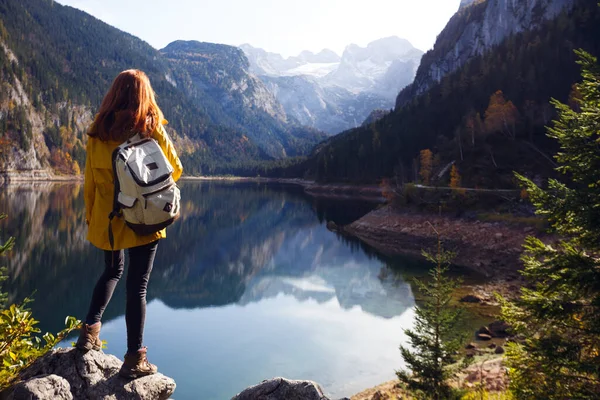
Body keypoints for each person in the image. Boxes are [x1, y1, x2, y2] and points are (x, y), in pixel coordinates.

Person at [76, 69, 183, 379]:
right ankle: (135, 358)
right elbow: (174, 169)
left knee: (112, 270)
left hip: (108, 220)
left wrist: (91, 216)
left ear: (113, 94)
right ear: (143, 95)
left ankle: (88, 333)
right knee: (137, 286)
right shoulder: (150, 128)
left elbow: (90, 182)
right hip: (144, 217)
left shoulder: (97, 132)